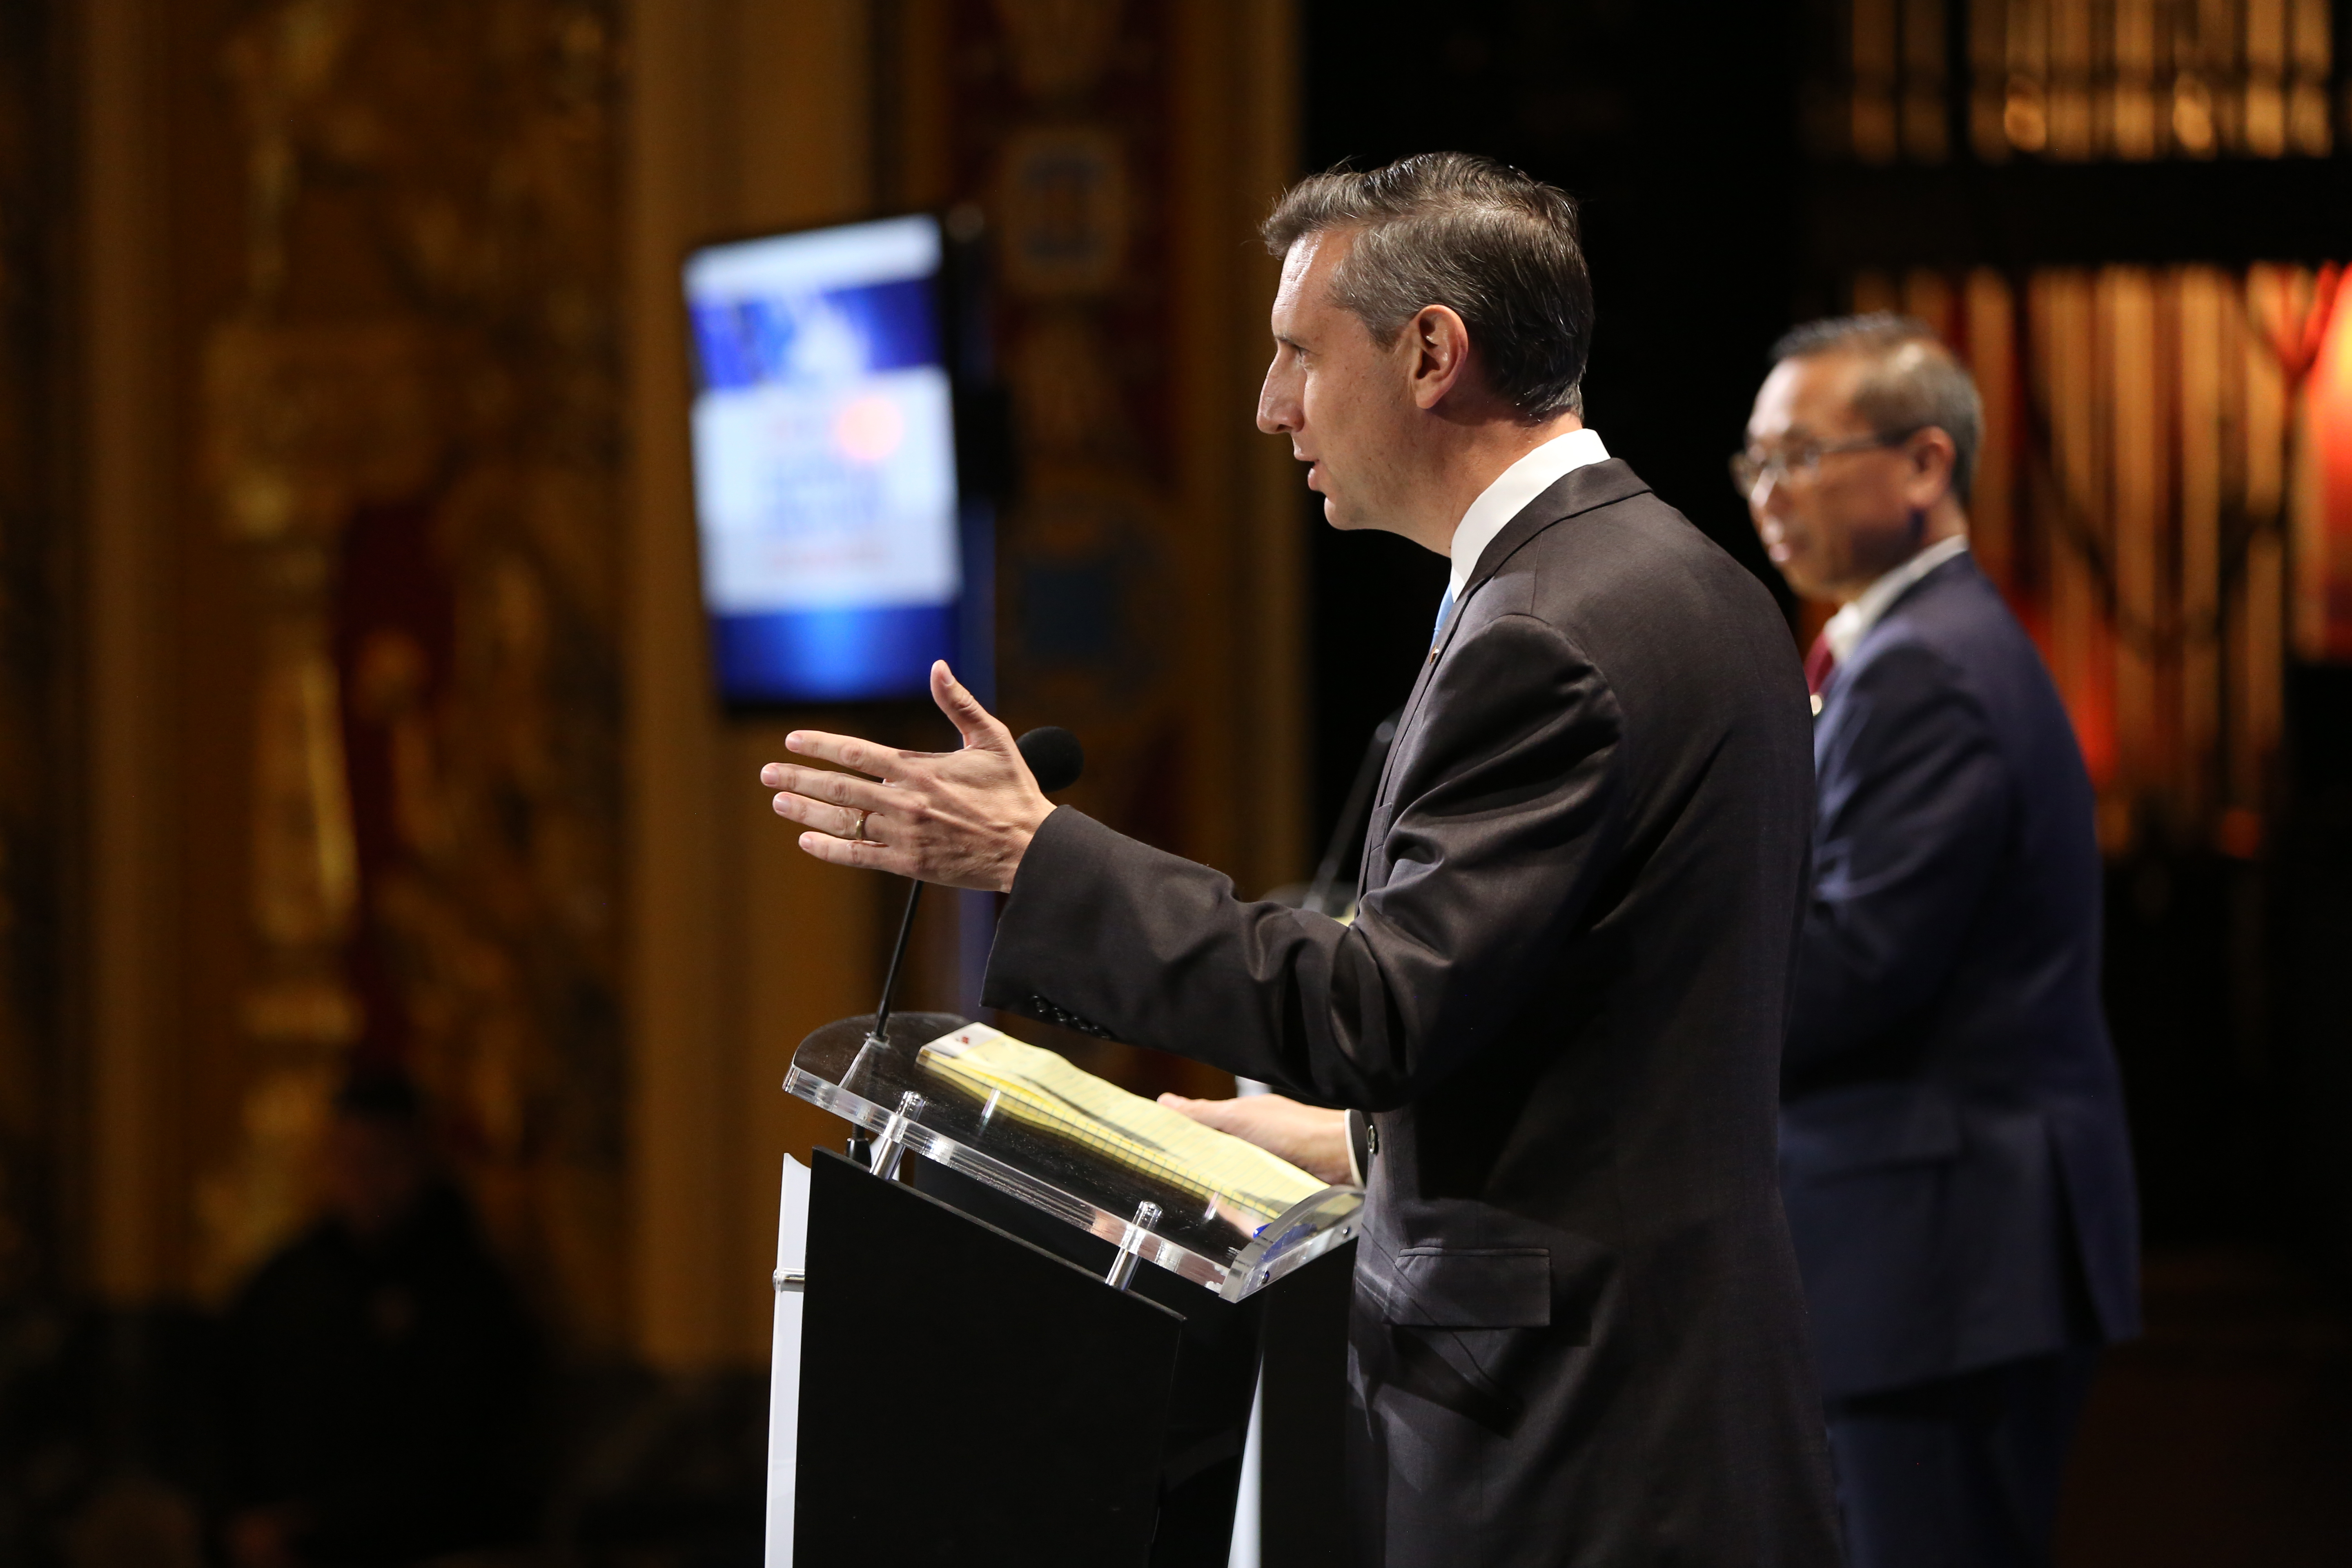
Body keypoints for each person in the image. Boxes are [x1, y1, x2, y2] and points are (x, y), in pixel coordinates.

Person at [762, 153, 1842, 1567]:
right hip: (1661, 1398)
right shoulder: (1686, 582)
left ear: (1431, 352)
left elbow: (1380, 1009)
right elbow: (1609, 1043)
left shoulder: (1547, 632)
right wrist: (1348, 1148)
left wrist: (1039, 859)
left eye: (1295, 356)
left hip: (1574, 1436)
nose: (1272, 407)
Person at [1737, 315, 2141, 1567]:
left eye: (1802, 455)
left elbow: (1852, 967)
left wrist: (1650, 998)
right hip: (1935, 1243)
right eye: (1754, 462)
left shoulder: (1929, 666)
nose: (1769, 493)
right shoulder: (1909, 646)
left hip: (1943, 1250)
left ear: (1923, 463)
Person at [218, 1071, 541, 1568]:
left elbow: (461, 1454)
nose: (366, 1181)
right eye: (349, 1160)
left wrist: (325, 1523)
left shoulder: (467, 1290)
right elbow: (231, 1405)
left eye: (384, 1160)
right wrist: (249, 1521)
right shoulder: (287, 1283)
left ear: (422, 1161)